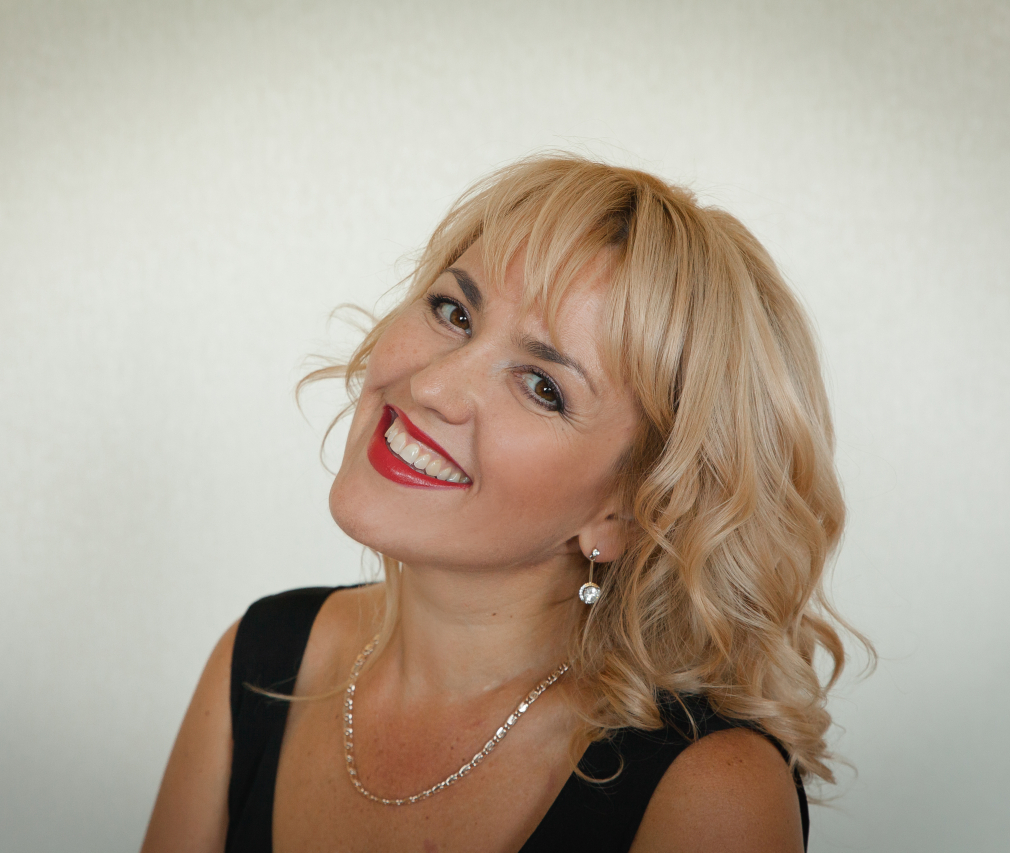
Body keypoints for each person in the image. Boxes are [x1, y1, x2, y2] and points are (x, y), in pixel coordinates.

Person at [141, 154, 863, 852]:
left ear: (627, 511)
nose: (433, 386)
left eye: (543, 387)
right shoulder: (259, 655)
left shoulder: (713, 791)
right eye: (454, 311)